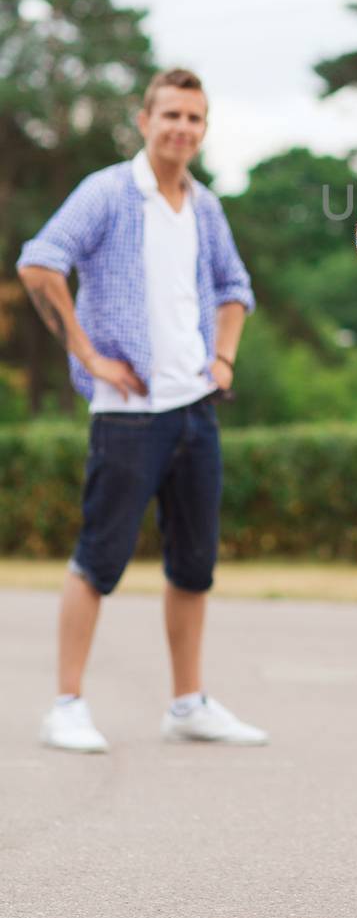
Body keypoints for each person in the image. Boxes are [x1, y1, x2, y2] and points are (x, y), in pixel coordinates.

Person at [18, 68, 267, 754]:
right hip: (127, 413)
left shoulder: (205, 206)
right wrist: (89, 356)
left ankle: (187, 704)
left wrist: (223, 360)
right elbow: (41, 263)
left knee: (194, 565)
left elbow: (233, 286)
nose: (182, 128)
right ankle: (65, 705)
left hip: (196, 408)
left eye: (195, 118)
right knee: (98, 559)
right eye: (171, 116)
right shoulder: (106, 193)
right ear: (144, 120)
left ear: (204, 129)